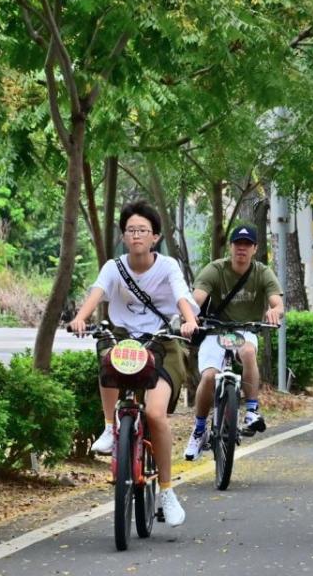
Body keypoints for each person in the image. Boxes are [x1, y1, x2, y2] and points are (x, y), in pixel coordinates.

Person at [69, 200, 197, 527]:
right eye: (130, 230)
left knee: (155, 414)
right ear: (124, 236)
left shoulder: (167, 266)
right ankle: (112, 428)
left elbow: (183, 297)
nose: (136, 235)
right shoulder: (114, 267)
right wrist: (80, 320)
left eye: (142, 230)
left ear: (155, 236)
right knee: (106, 352)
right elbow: (96, 295)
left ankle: (167, 491)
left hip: (163, 339)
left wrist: (187, 320)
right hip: (124, 337)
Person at [184, 226, 284, 461]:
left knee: (248, 352)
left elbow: (277, 303)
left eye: (247, 244)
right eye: (237, 243)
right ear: (230, 247)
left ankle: (251, 410)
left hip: (244, 330)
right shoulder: (215, 269)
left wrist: (274, 312)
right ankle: (199, 430)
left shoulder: (262, 272)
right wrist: (190, 317)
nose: (242, 248)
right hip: (214, 330)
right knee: (209, 376)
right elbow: (195, 299)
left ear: (255, 249)